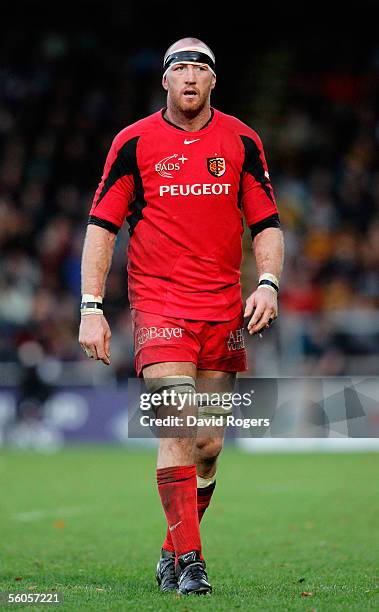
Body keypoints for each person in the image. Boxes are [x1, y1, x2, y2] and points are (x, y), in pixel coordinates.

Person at [79, 37, 284, 596]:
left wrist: (266, 283)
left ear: (213, 81)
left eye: (199, 68)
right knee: (178, 423)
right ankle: (191, 563)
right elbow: (101, 227)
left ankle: (172, 548)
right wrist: (91, 307)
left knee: (209, 446)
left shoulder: (241, 140)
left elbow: (266, 223)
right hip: (160, 304)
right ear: (164, 81)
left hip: (224, 308)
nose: (190, 77)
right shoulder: (134, 143)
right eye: (180, 69)